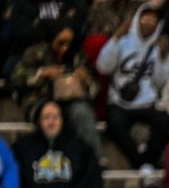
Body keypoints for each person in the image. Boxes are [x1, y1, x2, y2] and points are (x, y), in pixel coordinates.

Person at [95, 4, 169, 172]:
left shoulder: (158, 48)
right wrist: (115, 39)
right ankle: (141, 163)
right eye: (146, 17)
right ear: (138, 19)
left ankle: (147, 162)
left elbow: (160, 82)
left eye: (154, 19)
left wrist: (162, 58)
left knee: (164, 120)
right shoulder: (122, 42)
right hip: (120, 102)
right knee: (114, 123)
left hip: (147, 103)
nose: (149, 23)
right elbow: (103, 67)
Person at [9, 24, 102, 159]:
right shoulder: (36, 52)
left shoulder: (77, 56)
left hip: (70, 101)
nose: (65, 47)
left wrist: (85, 79)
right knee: (52, 115)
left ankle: (94, 160)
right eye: (61, 43)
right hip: (39, 100)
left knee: (83, 113)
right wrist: (42, 73)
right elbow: (16, 79)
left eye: (68, 43)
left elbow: (95, 88)